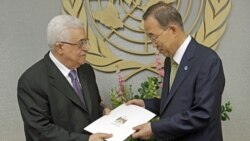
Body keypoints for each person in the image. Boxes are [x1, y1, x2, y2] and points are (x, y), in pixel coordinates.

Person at [127, 2, 225, 141]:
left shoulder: (208, 61)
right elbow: (176, 103)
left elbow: (202, 114)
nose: (153, 44)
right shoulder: (170, 60)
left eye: (153, 37)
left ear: (172, 30)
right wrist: (146, 104)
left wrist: (155, 128)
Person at [17, 15, 112, 141]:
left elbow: (88, 108)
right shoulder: (31, 81)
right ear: (60, 47)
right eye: (80, 43)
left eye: (86, 41)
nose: (87, 48)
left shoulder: (86, 70)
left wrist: (103, 111)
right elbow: (40, 131)